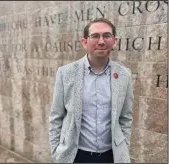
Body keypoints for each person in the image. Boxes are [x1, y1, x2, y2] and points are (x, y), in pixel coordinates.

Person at [49, 18, 134, 163]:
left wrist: (124, 145)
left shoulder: (124, 75)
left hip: (111, 156)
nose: (101, 41)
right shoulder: (65, 73)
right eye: (95, 36)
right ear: (84, 42)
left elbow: (126, 117)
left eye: (107, 36)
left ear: (114, 41)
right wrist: (56, 151)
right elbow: (56, 116)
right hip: (75, 155)